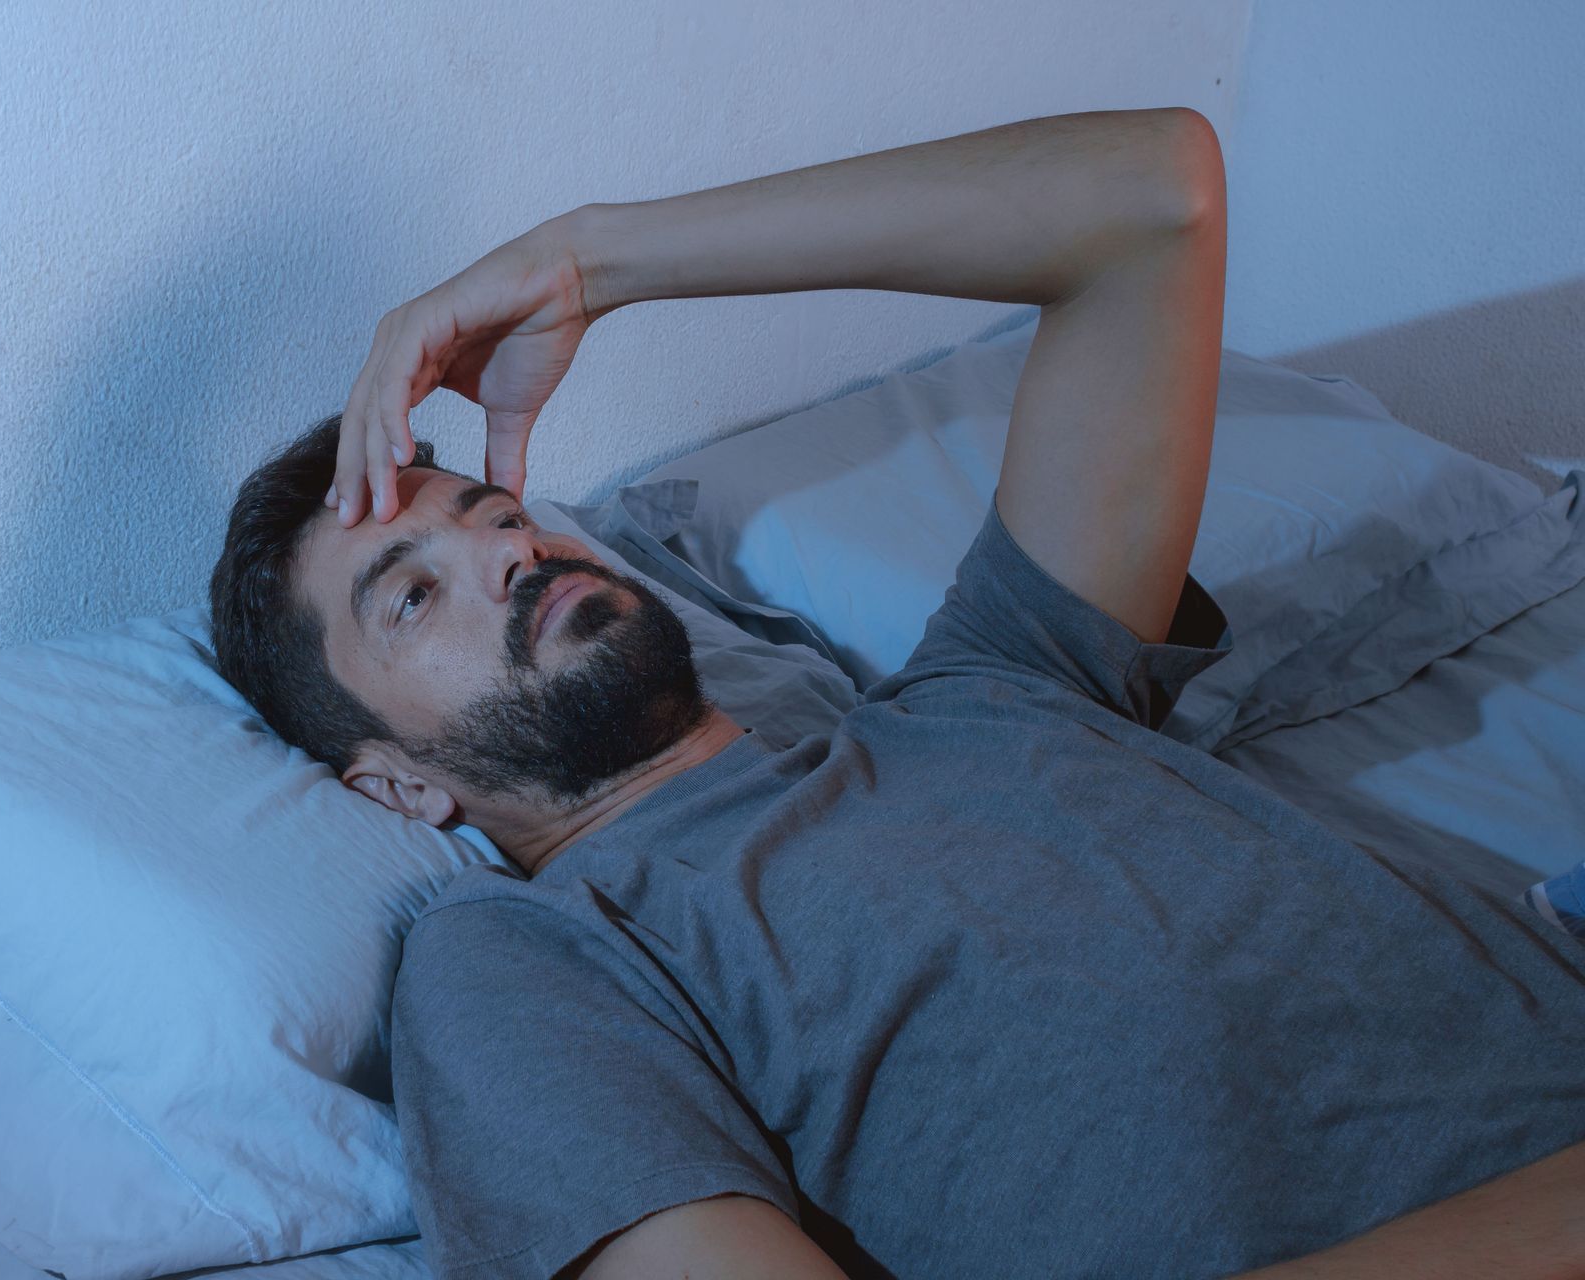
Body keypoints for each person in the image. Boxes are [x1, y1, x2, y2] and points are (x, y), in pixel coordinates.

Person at [208, 108, 1585, 1279]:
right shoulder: (524, 961)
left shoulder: (1000, 681)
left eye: (495, 510)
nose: (506, 555)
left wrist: (589, 257)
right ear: (395, 779)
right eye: (412, 592)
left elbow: (1152, 197)